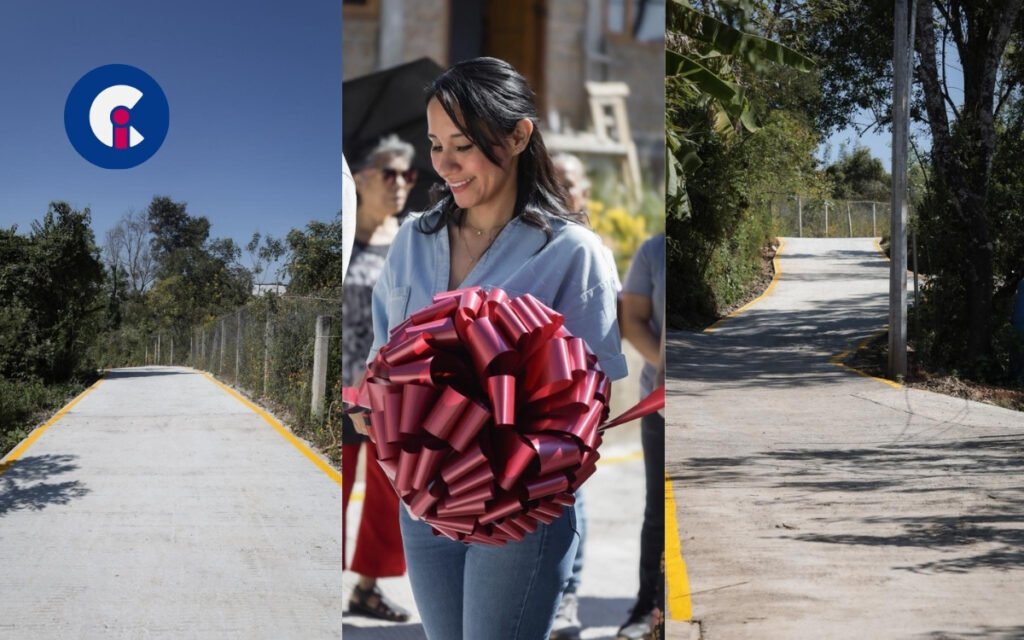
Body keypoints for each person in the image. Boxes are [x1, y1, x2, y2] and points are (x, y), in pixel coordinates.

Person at [358, 57, 628, 639]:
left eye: (463, 145)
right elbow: (382, 360)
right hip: (422, 505)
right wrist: (370, 407)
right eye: (435, 145)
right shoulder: (411, 240)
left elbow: (590, 405)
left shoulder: (572, 253)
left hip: (519, 516)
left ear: (519, 135)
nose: (444, 164)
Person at [341, 135, 418, 622]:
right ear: (362, 177)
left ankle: (367, 589)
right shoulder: (343, 236)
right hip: (340, 386)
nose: (401, 184)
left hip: (391, 390)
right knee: (334, 485)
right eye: (390, 173)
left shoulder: (411, 239)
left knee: (389, 494)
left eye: (409, 175)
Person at [548, 152, 621, 640]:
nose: (558, 190)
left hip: (573, 397)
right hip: (529, 397)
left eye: (567, 183)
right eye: (551, 181)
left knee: (570, 495)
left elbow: (608, 330)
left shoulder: (592, 249)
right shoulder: (525, 242)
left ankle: (567, 596)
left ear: (585, 194)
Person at [616, 232, 666, 640]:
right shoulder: (653, 250)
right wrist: (666, 366)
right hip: (658, 400)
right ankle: (646, 608)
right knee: (657, 511)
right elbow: (631, 320)